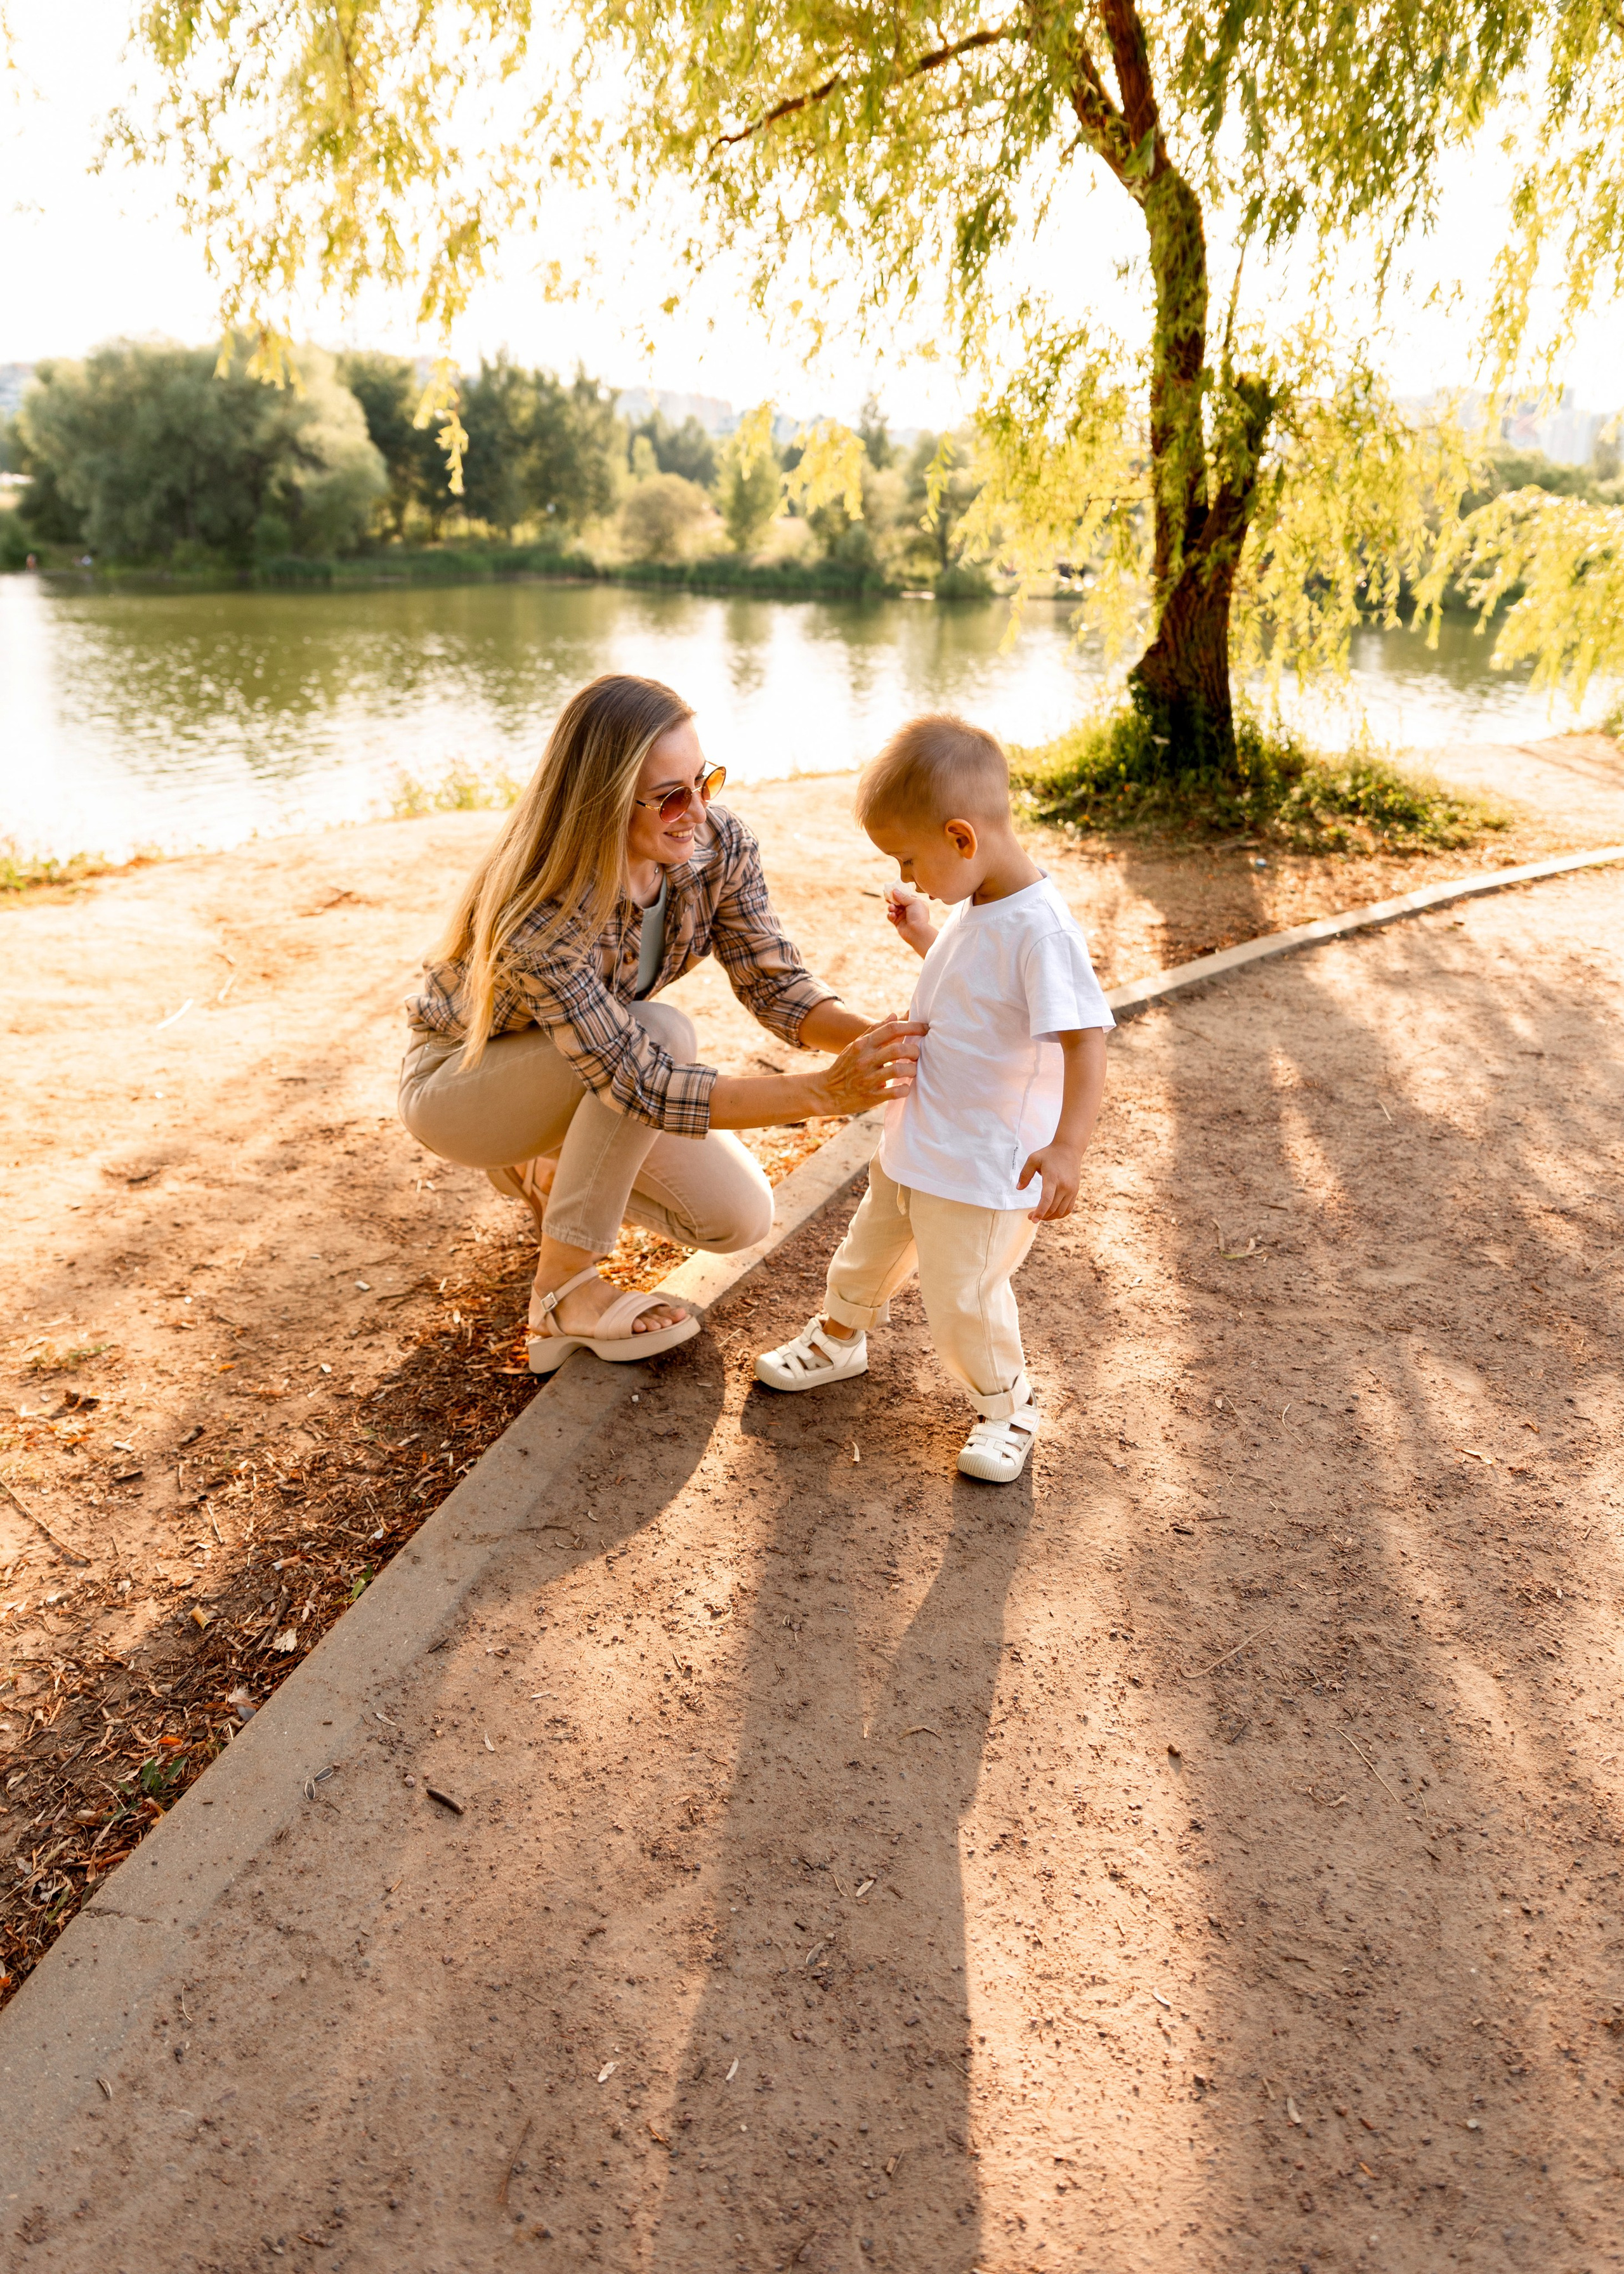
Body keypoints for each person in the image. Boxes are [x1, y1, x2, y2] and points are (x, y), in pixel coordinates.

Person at [399, 672, 924, 1373]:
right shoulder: (542, 913)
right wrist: (827, 1093)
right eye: (671, 795)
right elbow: (646, 1087)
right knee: (662, 1033)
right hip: (461, 1089)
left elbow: (776, 985)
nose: (697, 810)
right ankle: (561, 1294)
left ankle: (544, 1164)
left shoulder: (717, 846)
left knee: (737, 1217)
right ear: (601, 801)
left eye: (704, 781)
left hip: (588, 1063)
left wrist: (887, 1046)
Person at [755, 713, 1112, 1482]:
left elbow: (1087, 1040)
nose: (909, 876)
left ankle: (1007, 1401)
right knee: (868, 1250)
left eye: (909, 860)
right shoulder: (976, 905)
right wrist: (925, 934)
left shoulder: (1042, 931)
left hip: (984, 1166)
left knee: (963, 1298)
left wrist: (1068, 1148)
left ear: (960, 837)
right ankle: (841, 1336)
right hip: (920, 1139)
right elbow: (977, 989)